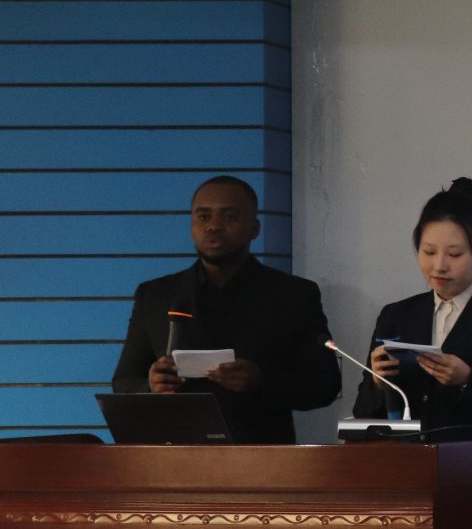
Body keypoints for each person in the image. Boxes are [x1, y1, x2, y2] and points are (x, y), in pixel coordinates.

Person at [112, 175, 341, 443]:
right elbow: (124, 382)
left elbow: (325, 385)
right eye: (203, 217)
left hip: (262, 453)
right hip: (174, 452)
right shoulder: (156, 295)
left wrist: (262, 381)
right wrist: (150, 386)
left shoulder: (293, 294)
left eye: (229, 217)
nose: (214, 226)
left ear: (254, 228)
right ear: (191, 225)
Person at [351, 178, 472, 433]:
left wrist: (468, 380)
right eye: (429, 252)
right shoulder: (397, 315)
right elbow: (362, 412)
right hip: (407, 456)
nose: (439, 266)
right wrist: (378, 383)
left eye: (454, 254)